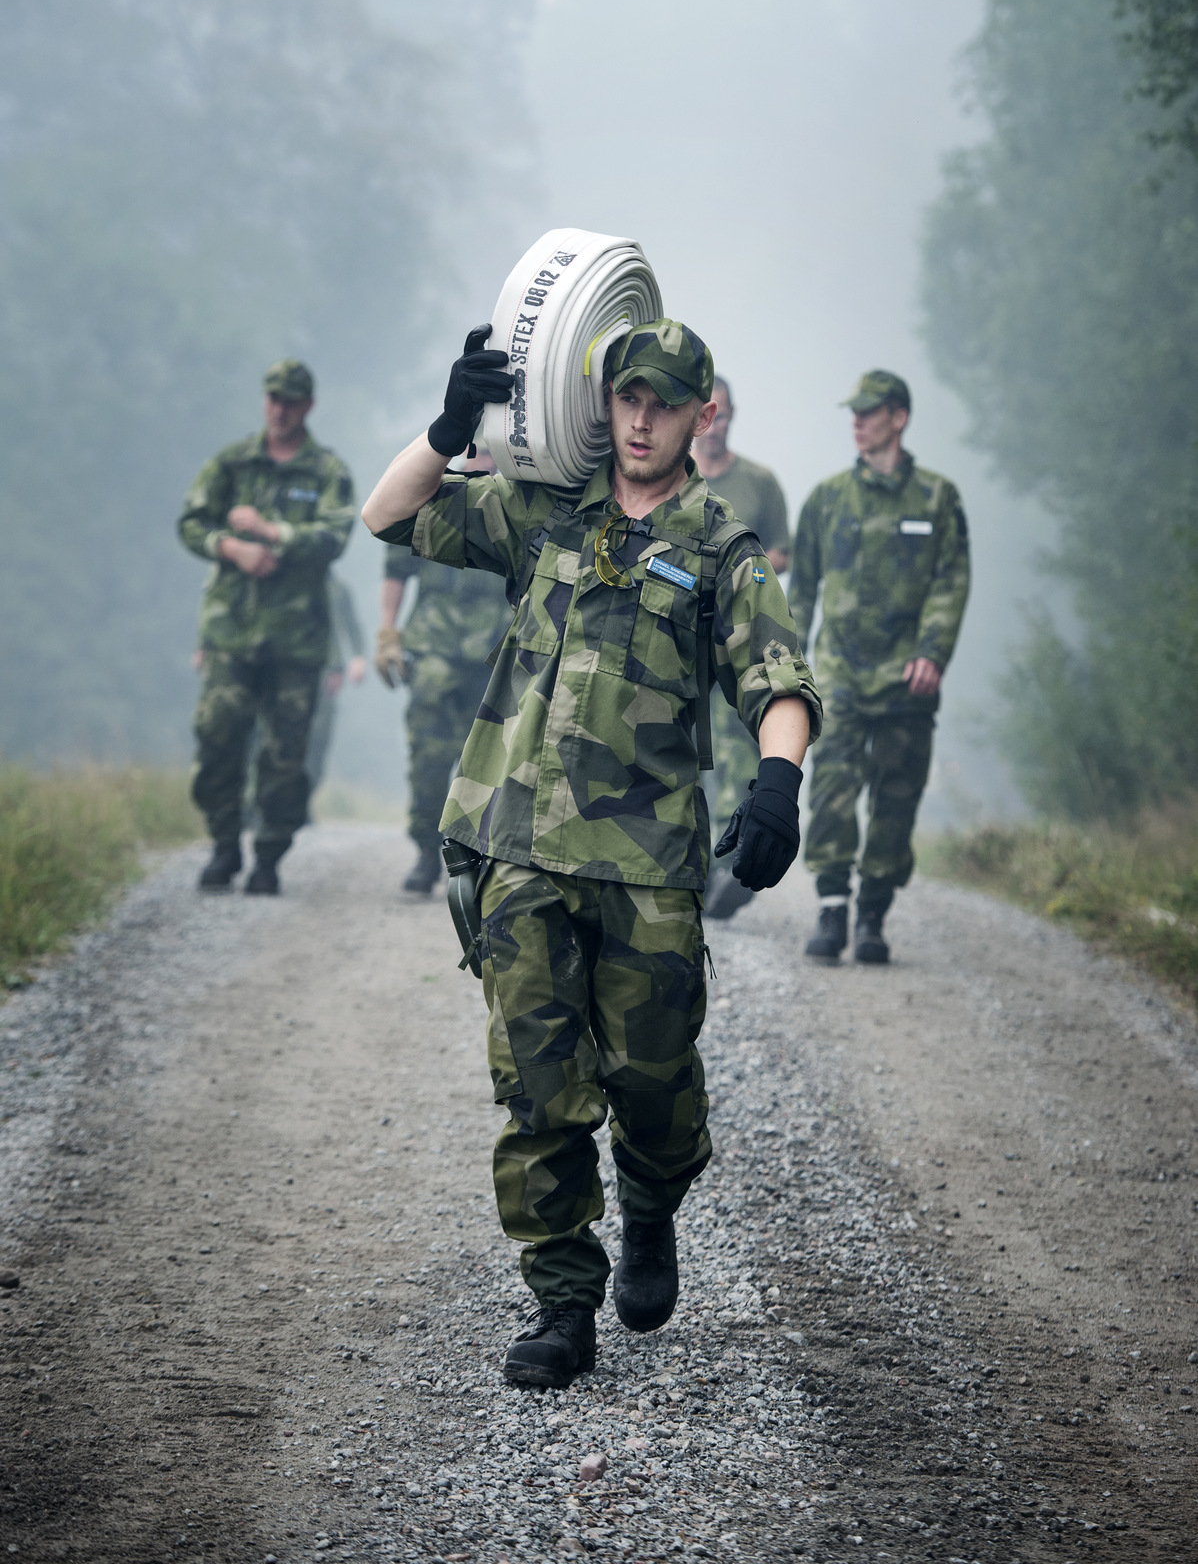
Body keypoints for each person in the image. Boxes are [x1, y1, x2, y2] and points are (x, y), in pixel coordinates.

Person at [362, 319, 821, 1391]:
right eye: (628, 398)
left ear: (703, 413)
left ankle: (651, 1202)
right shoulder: (543, 511)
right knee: (539, 1088)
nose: (643, 420)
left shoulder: (722, 547)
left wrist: (777, 782)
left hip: (648, 866)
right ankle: (562, 1303)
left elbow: (779, 678)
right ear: (605, 403)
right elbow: (390, 514)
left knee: (653, 1086)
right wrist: (448, 425)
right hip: (516, 844)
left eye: (666, 402)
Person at [788, 369, 969, 965]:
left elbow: (950, 581)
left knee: (897, 797)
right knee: (832, 790)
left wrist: (932, 652)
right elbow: (802, 590)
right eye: (855, 412)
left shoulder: (938, 498)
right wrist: (790, 663)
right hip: (840, 673)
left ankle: (873, 913)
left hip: (907, 677)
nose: (857, 422)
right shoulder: (828, 498)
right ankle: (832, 905)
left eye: (869, 411)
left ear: (899, 417)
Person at [179, 359, 356, 894]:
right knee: (217, 739)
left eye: (290, 400)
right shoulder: (233, 463)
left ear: (308, 405)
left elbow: (336, 537)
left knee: (284, 756)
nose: (280, 409)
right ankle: (224, 845)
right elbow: (191, 523)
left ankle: (269, 857)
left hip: (296, 640)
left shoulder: (326, 470)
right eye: (273, 398)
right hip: (230, 633)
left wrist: (273, 532)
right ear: (265, 400)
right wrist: (230, 547)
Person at [374, 449, 510, 895]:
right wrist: (388, 632)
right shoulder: (432, 494)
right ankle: (424, 851)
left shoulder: (516, 500)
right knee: (429, 756)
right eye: (476, 448)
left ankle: (475, 859)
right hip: (434, 649)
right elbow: (397, 567)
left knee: (488, 763)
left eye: (491, 449)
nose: (483, 458)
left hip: (495, 653)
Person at [692, 374, 791, 920]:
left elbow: (782, 553)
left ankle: (732, 866)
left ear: (730, 417)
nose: (715, 425)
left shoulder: (759, 483)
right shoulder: (672, 480)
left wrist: (736, 565)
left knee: (733, 755)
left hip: (738, 640)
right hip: (680, 641)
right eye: (709, 414)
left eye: (724, 414)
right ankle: (689, 868)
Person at [305, 574, 368, 799]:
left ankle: (303, 799)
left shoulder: (336, 588)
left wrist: (358, 657)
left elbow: (351, 624)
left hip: (327, 669)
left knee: (319, 736)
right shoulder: (284, 576)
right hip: (283, 666)